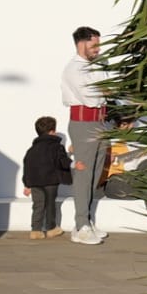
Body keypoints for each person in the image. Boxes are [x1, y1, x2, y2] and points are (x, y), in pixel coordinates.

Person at [60, 26, 109, 245]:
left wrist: (104, 92)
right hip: (83, 123)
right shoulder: (73, 69)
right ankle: (81, 225)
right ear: (82, 43)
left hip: (100, 121)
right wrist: (104, 92)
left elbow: (107, 91)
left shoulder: (96, 66)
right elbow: (91, 98)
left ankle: (86, 220)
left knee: (95, 174)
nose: (97, 49)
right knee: (83, 174)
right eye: (94, 44)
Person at [20, 116, 74, 240]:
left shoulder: (31, 150)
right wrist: (72, 162)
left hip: (34, 182)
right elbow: (62, 161)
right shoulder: (56, 147)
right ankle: (51, 228)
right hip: (50, 181)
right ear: (52, 131)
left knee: (38, 205)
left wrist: (27, 184)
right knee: (50, 204)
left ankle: (35, 230)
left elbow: (27, 166)